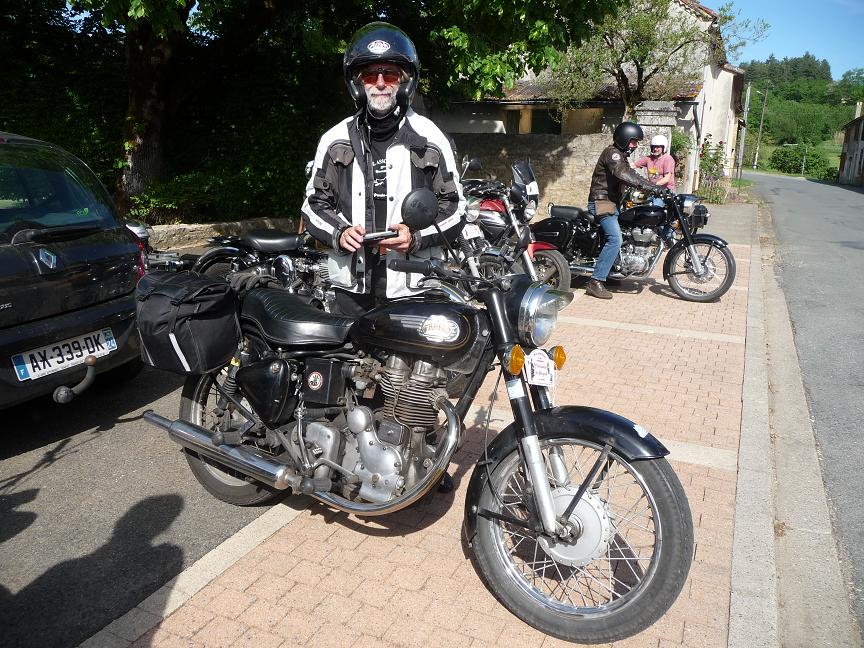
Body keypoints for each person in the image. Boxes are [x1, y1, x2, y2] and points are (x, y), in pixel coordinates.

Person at [301, 22, 465, 316]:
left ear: (405, 81)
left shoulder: (430, 139)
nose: (379, 83)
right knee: (346, 346)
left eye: (389, 74)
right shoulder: (334, 139)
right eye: (370, 75)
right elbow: (314, 204)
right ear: (357, 83)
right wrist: (339, 233)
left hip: (412, 283)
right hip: (351, 285)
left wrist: (415, 237)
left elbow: (455, 207)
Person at [584, 121, 667, 300]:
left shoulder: (621, 156)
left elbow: (633, 174)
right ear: (624, 139)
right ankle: (595, 281)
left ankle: (611, 271)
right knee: (615, 239)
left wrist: (652, 187)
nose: (635, 145)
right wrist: (652, 187)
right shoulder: (612, 154)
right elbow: (623, 174)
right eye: (633, 141)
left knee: (626, 234)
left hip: (611, 203)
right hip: (602, 202)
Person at [633, 134, 676, 205]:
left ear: (663, 147)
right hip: (651, 189)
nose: (655, 149)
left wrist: (652, 185)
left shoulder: (668, 159)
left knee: (655, 206)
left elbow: (666, 179)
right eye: (654, 147)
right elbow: (634, 165)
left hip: (665, 191)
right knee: (637, 202)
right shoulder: (649, 159)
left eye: (658, 147)